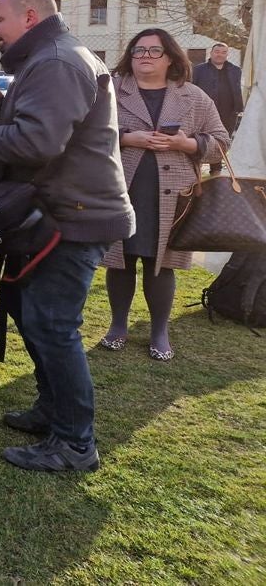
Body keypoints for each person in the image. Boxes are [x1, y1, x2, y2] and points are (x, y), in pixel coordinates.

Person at [0, 0, 133, 473]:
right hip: (63, 210)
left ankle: (76, 444)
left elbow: (37, 143)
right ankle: (53, 410)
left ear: (30, 17)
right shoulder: (53, 57)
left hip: (75, 216)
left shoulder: (57, 61)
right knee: (32, 314)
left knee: (53, 325)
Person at [99, 29, 228, 361]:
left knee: (161, 264)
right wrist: (127, 139)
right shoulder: (110, 90)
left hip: (173, 197)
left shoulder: (194, 97)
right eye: (138, 50)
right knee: (120, 260)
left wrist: (185, 144)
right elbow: (85, 130)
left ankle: (159, 331)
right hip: (120, 190)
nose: (144, 56)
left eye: (154, 51)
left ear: (171, 57)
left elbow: (221, 144)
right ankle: (118, 326)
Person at [192, 41, 243, 173]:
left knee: (221, 142)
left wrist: (239, 109)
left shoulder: (235, 70)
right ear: (211, 53)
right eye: (217, 52)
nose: (220, 55)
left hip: (228, 113)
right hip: (203, 113)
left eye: (223, 52)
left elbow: (238, 90)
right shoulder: (198, 70)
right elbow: (191, 89)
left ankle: (216, 173)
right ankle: (195, 171)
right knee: (201, 141)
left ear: (227, 54)